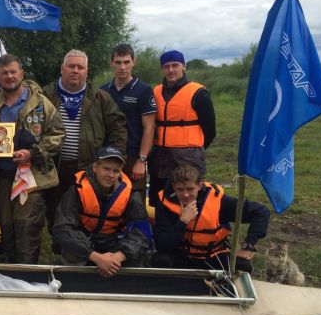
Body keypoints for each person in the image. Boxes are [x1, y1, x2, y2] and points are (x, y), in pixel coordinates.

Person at [0, 54, 64, 264]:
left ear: (21, 73)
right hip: (1, 179)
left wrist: (33, 152)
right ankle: (10, 273)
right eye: (4, 73)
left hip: (30, 179)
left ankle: (28, 277)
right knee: (5, 228)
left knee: (26, 229)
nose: (9, 76)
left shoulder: (41, 103)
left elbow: (58, 135)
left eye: (13, 72)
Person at [42, 49, 127, 237]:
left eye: (80, 67)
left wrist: (115, 159)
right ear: (62, 69)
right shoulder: (45, 95)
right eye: (71, 66)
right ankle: (60, 252)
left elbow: (118, 127)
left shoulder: (100, 97)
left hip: (87, 167)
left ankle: (84, 251)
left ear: (86, 72)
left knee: (85, 210)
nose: (75, 70)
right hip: (54, 167)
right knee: (55, 210)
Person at [52, 147, 151, 276]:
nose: (110, 175)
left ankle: (125, 290)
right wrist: (96, 257)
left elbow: (143, 231)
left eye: (116, 171)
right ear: (95, 167)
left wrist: (118, 257)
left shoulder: (130, 193)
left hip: (113, 242)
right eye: (106, 169)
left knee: (136, 254)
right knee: (71, 252)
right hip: (84, 241)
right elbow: (62, 228)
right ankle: (73, 287)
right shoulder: (77, 188)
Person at [154, 164, 269, 273]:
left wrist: (247, 246)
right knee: (160, 260)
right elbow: (162, 244)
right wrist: (183, 222)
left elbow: (261, 212)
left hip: (214, 257)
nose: (185, 195)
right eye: (180, 190)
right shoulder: (165, 204)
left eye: (190, 189)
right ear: (174, 187)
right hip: (183, 255)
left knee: (243, 265)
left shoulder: (219, 201)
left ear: (199, 186)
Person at [148, 50, 216, 208]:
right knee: (159, 197)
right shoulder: (155, 92)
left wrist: (194, 148)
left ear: (183, 67)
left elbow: (210, 130)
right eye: (166, 66)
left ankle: (188, 229)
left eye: (175, 65)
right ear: (162, 69)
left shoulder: (198, 93)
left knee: (186, 196)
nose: (171, 70)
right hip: (159, 156)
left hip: (187, 156)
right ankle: (160, 230)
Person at [100, 44, 156, 203]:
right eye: (118, 62)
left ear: (133, 62)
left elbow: (149, 128)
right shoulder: (103, 90)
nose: (122, 67)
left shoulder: (143, 90)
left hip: (133, 156)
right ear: (111, 63)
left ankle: (137, 229)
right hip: (108, 154)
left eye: (126, 62)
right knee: (107, 198)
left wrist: (141, 160)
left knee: (134, 201)